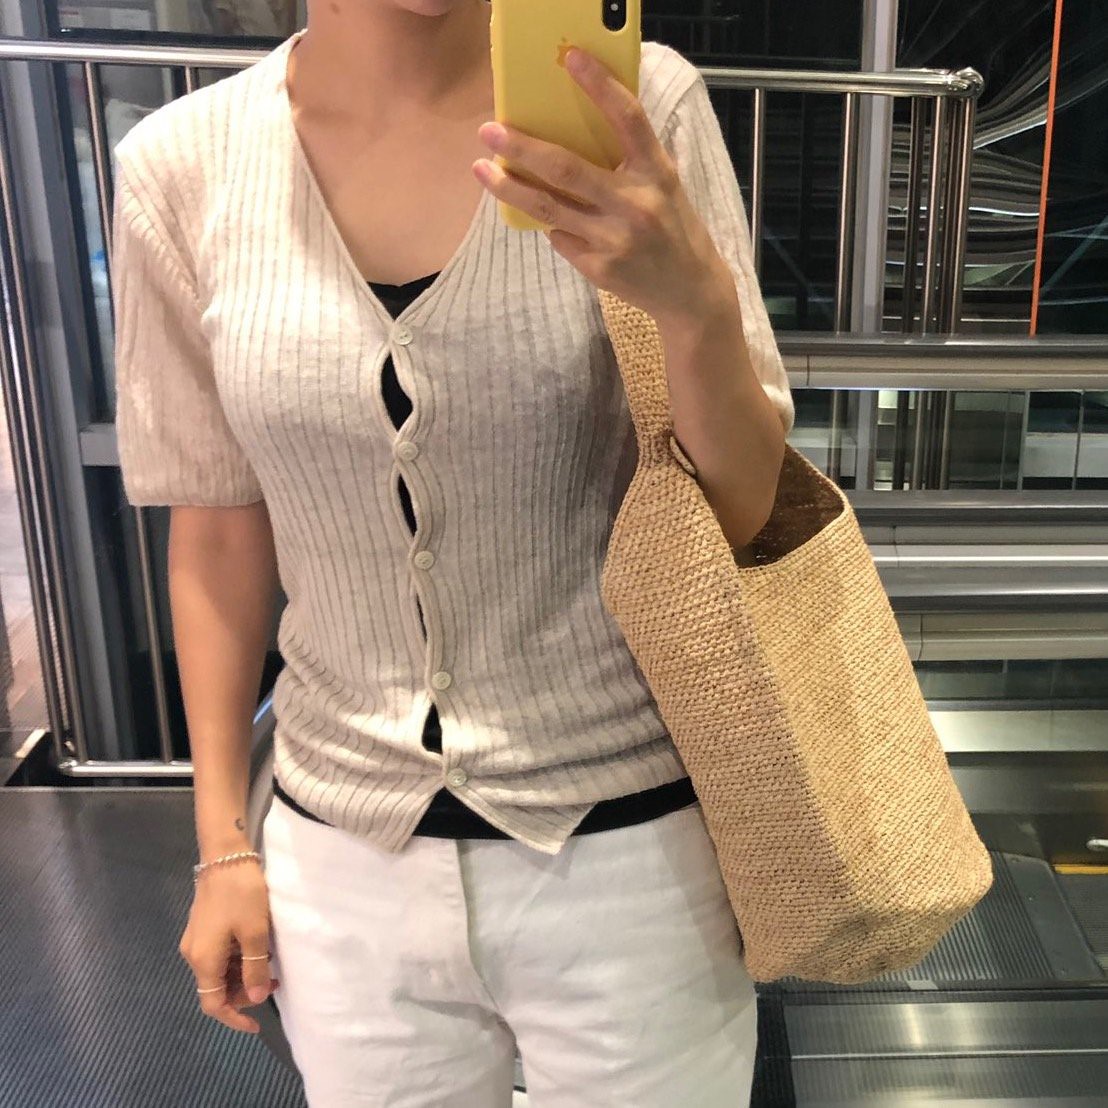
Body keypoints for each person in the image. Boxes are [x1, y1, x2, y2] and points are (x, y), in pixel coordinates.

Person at [109, 1, 794, 1104]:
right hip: (343, 868)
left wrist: (696, 306)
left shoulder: (630, 104)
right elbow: (218, 525)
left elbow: (748, 502)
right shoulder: (182, 165)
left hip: (635, 856)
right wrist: (223, 844)